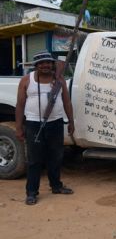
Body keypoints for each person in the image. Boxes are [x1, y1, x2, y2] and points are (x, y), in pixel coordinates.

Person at [15, 51, 75, 206]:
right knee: (35, 160)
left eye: (48, 62)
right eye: (41, 63)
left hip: (55, 123)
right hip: (34, 124)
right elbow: (20, 105)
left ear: (52, 64)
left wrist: (71, 122)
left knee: (56, 157)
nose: (45, 65)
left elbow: (67, 102)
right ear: (36, 66)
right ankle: (31, 193)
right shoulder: (26, 81)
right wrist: (19, 127)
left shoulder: (59, 80)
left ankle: (56, 186)